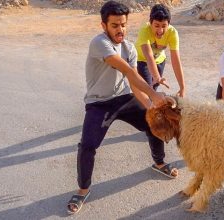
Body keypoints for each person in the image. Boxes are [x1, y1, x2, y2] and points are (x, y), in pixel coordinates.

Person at [67, 1, 178, 215]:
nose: (121, 30)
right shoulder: (99, 43)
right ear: (104, 25)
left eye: (124, 25)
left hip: (123, 98)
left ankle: (159, 162)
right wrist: (155, 95)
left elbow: (134, 81)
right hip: (99, 103)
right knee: (88, 146)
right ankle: (82, 189)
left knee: (152, 122)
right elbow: (126, 69)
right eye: (115, 25)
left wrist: (150, 107)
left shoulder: (129, 47)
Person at [135, 3, 185, 98]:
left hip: (160, 61)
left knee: (154, 90)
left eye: (164, 26)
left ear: (169, 24)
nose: (160, 30)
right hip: (142, 60)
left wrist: (182, 87)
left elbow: (176, 61)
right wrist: (157, 77)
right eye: (157, 26)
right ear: (150, 22)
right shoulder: (144, 30)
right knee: (146, 92)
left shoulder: (173, 33)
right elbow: (149, 56)